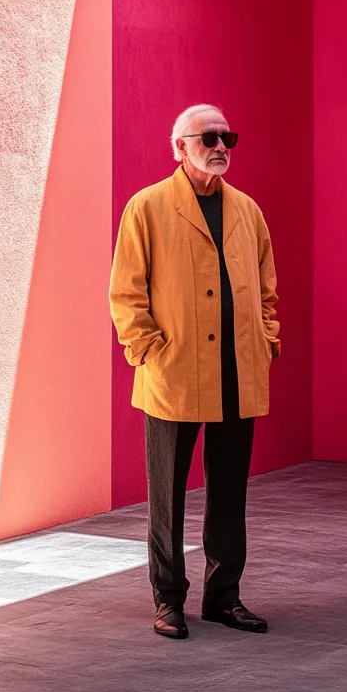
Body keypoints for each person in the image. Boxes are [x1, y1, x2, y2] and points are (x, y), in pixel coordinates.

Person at [109, 104, 281, 640]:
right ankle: (168, 600)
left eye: (227, 136)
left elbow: (267, 288)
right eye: (207, 137)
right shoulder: (148, 207)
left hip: (237, 372)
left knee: (230, 493)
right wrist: (148, 350)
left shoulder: (247, 211)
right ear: (178, 146)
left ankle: (223, 598)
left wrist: (267, 339)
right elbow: (126, 292)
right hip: (175, 373)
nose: (220, 145)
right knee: (168, 494)